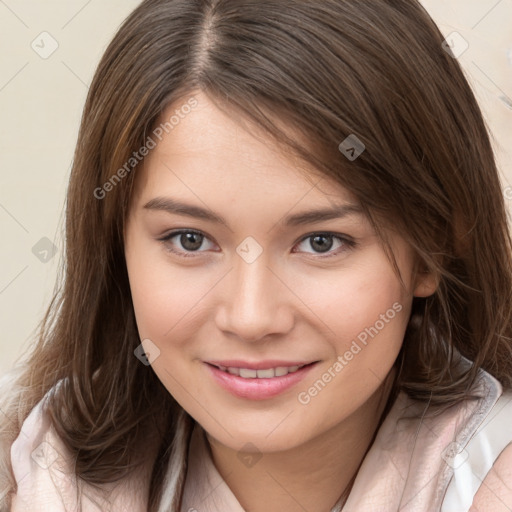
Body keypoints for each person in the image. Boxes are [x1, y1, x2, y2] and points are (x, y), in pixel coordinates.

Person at [1, 1, 512, 511]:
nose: (250, 318)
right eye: (190, 239)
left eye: (321, 242)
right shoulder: (26, 474)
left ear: (433, 250)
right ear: (117, 247)